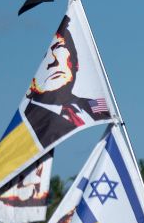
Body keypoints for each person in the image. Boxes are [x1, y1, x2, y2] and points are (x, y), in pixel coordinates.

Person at [20, 15, 111, 149]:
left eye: (59, 48)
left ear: (76, 62)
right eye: (45, 58)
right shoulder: (28, 125)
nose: (53, 61)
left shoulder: (94, 106)